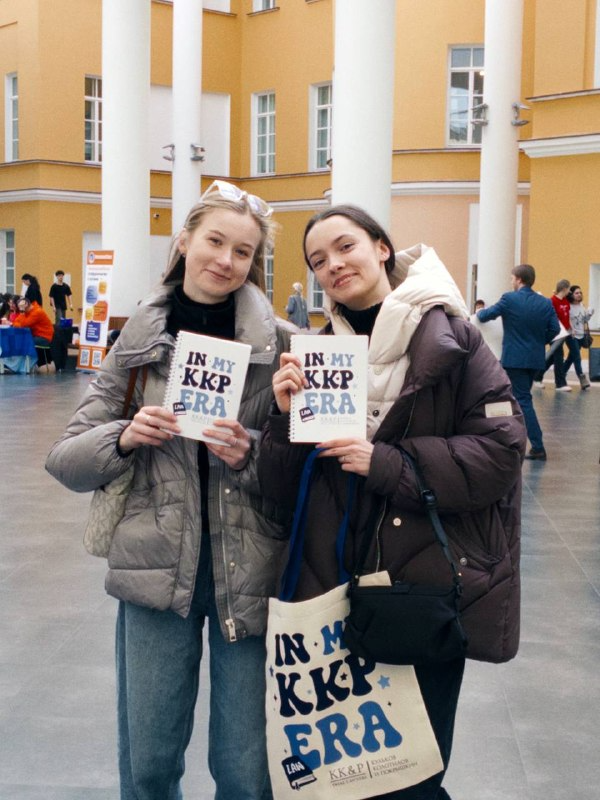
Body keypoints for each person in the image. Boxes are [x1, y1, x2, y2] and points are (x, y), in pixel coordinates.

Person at [258, 205, 525, 800]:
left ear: (382, 248)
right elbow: (279, 492)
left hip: (420, 588)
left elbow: (502, 450)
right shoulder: (316, 353)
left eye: (345, 246)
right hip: (333, 591)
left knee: (413, 775)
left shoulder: (451, 337)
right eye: (318, 260)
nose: (333, 265)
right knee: (343, 777)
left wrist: (388, 463)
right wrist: (282, 419)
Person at [45, 180, 293, 800]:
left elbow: (311, 469)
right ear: (184, 241)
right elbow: (65, 460)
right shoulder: (137, 344)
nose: (225, 260)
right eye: (215, 241)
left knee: (247, 772)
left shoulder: (282, 345)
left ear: (254, 261)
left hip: (252, 570)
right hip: (154, 569)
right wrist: (125, 435)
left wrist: (253, 452)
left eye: (242, 251)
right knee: (150, 765)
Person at [478, 263, 559, 460]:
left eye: (512, 278)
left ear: (519, 279)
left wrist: (478, 312)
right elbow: (555, 329)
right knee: (519, 398)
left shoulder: (509, 299)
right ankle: (511, 438)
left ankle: (537, 446)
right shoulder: (545, 303)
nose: (511, 281)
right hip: (535, 360)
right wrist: (539, 342)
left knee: (522, 400)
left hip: (515, 359)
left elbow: (486, 316)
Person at [534, 278, 572, 391]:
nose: (569, 291)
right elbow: (550, 318)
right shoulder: (552, 301)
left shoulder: (565, 301)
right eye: (568, 288)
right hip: (555, 333)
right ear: (564, 289)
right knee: (559, 356)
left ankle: (537, 377)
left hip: (564, 333)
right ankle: (560, 384)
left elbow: (566, 316)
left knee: (552, 358)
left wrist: (570, 328)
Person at [563, 285, 594, 390]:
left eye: (580, 293)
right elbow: (565, 319)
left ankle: (561, 375)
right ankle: (582, 379)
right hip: (571, 335)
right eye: (576, 293)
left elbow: (584, 321)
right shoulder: (568, 306)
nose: (579, 294)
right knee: (577, 357)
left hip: (581, 335)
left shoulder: (581, 305)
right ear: (571, 294)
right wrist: (570, 329)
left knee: (571, 358)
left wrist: (589, 314)